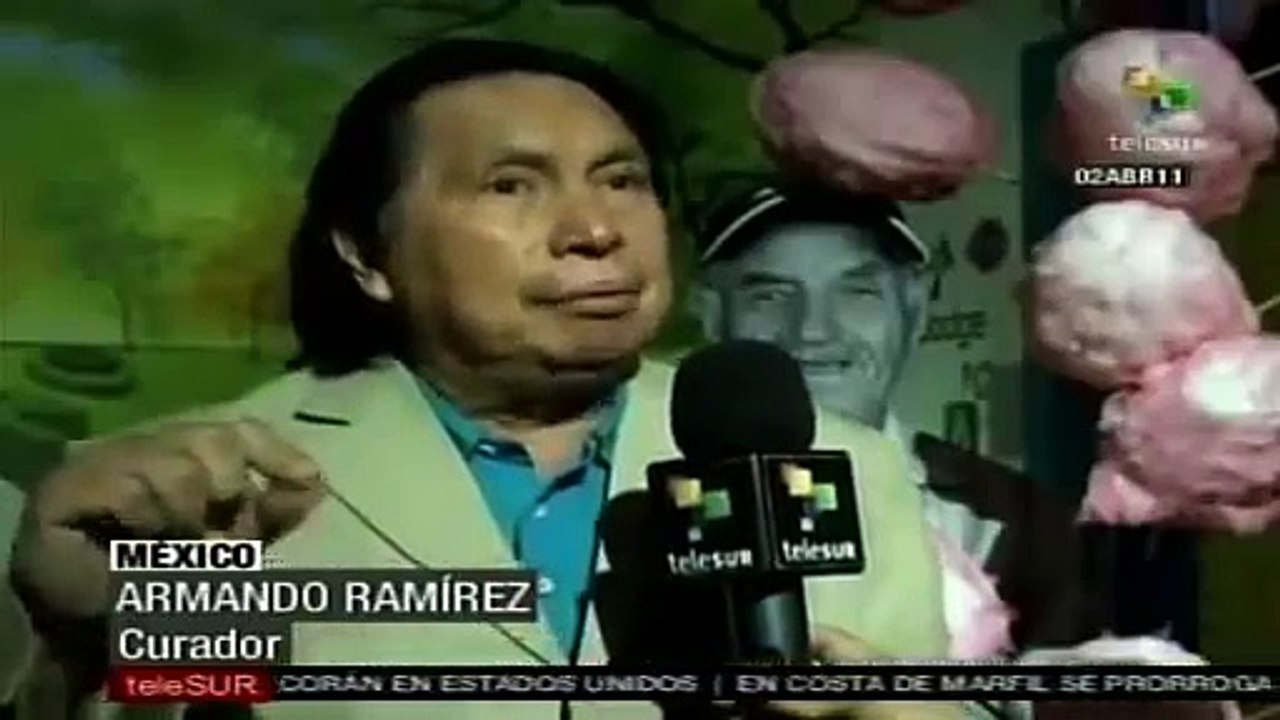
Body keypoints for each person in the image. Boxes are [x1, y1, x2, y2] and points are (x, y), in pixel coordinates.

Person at [1, 40, 960, 720]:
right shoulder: (234, 490)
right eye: (513, 186)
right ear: (367, 253)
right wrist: (89, 634)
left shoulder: (844, 468)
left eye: (622, 180)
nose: (596, 229)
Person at [692, 181, 1105, 652]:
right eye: (770, 296)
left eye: (857, 292)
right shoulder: (648, 499)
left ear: (915, 309)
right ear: (712, 316)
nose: (812, 330)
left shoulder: (1017, 525)